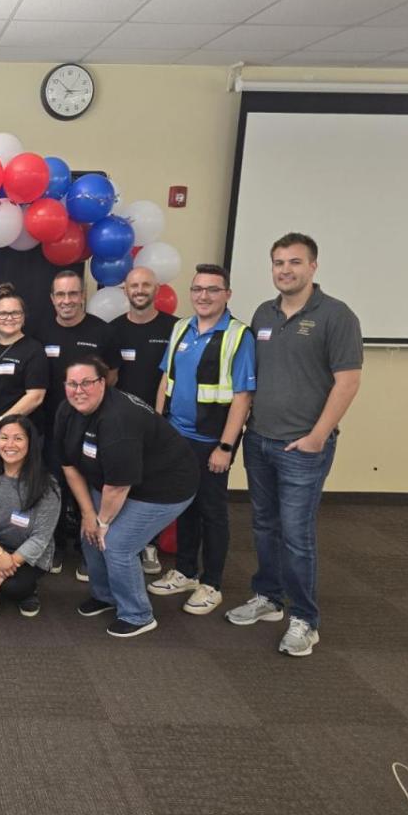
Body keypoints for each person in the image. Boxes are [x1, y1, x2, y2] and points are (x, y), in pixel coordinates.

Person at [225, 233, 362, 658]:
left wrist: (317, 436)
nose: (285, 270)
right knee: (264, 526)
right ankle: (268, 597)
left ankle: (305, 618)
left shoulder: (336, 316)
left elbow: (348, 381)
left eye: (294, 262)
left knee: (297, 535)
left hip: (303, 447)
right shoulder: (264, 314)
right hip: (260, 440)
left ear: (313, 267)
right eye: (278, 262)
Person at [57, 357, 197, 638]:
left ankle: (138, 614)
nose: (78, 390)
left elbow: (118, 487)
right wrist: (87, 514)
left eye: (87, 382)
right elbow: (68, 465)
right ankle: (105, 595)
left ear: (103, 382)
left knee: (116, 544)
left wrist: (103, 522)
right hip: (109, 480)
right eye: (72, 383)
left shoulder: (118, 421)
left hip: (164, 488)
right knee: (89, 533)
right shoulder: (67, 409)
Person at [148, 264, 255, 617]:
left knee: (212, 512)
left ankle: (212, 583)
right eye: (197, 289)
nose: (203, 296)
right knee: (185, 506)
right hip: (177, 437)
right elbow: (166, 381)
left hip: (212, 441)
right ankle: (186, 571)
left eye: (212, 290)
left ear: (227, 294)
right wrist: (159, 430)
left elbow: (242, 397)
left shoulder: (239, 336)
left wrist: (225, 447)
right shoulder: (181, 327)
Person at [34, 268, 121, 580]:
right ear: (52, 299)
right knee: (54, 487)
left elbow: (111, 376)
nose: (67, 300)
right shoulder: (40, 329)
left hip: (93, 426)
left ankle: (90, 549)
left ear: (83, 296)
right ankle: (57, 544)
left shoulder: (102, 332)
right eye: (61, 294)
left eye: (73, 294)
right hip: (50, 425)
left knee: (94, 488)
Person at [109, 266, 178, 575]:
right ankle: (120, 541)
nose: (139, 290)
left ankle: (148, 545)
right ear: (125, 289)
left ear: (157, 288)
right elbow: (108, 379)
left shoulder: (175, 328)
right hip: (121, 423)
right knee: (122, 481)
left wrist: (162, 417)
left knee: (153, 484)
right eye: (134, 285)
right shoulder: (112, 330)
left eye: (145, 285)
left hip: (160, 424)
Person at [0, 415, 60, 625]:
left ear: (30, 443)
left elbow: (41, 538)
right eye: (4, 437)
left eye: (18, 438)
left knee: (15, 588)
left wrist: (3, 568)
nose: (10, 445)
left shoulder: (47, 485)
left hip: (27, 555)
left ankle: (25, 589)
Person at [0, 282, 48, 458]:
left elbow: (35, 397)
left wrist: (2, 422)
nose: (9, 318)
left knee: (22, 485)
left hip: (22, 437)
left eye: (15, 313)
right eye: (3, 313)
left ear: (24, 317)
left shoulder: (34, 349)